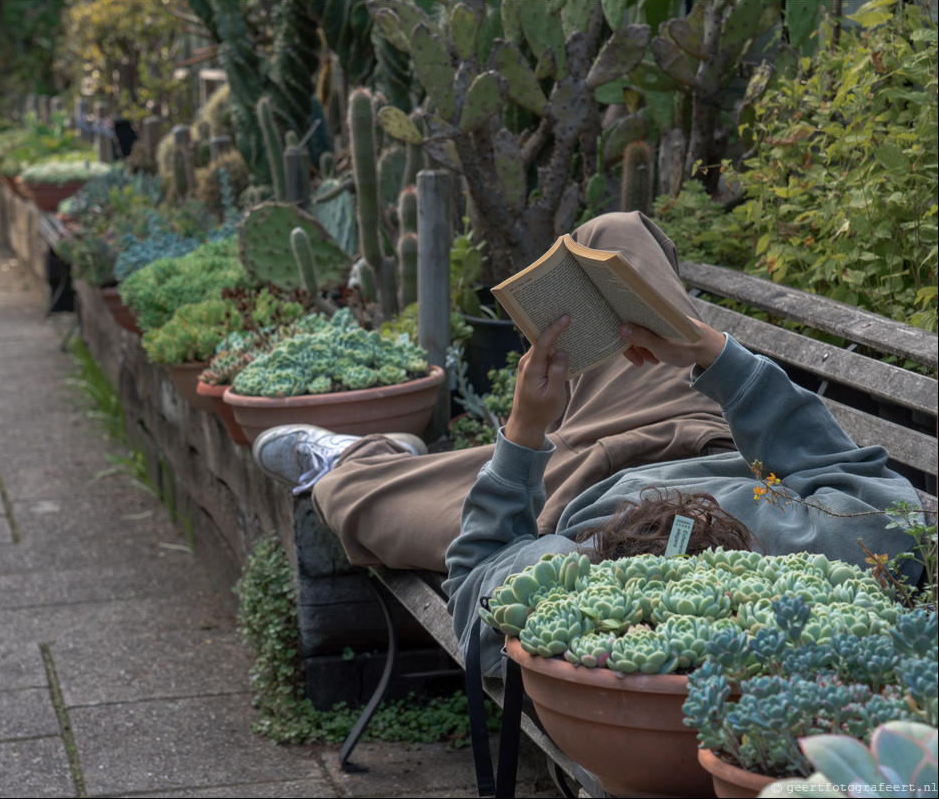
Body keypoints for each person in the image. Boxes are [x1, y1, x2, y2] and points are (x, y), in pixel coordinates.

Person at [252, 212, 924, 675]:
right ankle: (624, 342)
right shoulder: (835, 550)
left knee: (376, 504)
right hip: (695, 426)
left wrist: (524, 432)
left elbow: (478, 570)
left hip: (568, 489)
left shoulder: (573, 588)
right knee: (614, 233)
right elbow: (849, 472)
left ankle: (361, 459)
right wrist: (710, 352)